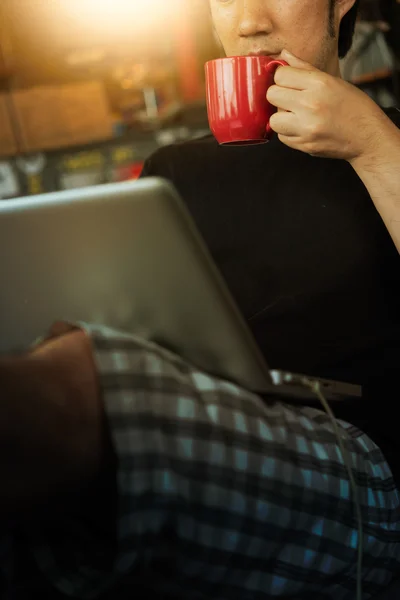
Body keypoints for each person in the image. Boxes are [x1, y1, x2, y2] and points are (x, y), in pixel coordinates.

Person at [1, 0, 400, 598]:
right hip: (218, 424)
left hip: (366, 465)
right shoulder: (173, 171)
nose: (248, 22)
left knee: (68, 390)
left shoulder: (392, 140)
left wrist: (371, 143)